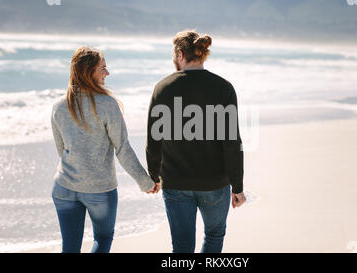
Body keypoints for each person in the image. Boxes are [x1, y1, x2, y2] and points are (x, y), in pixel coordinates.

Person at [51, 46, 160, 253]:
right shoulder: (107, 104)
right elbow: (123, 149)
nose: (107, 73)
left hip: (64, 187)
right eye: (103, 68)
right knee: (102, 237)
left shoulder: (59, 106)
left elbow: (62, 150)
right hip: (99, 189)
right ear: (88, 72)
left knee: (70, 247)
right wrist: (145, 182)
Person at [146, 30, 246, 253]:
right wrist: (237, 186)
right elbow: (232, 142)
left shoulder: (163, 88)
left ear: (180, 54)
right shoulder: (223, 88)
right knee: (214, 235)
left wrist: (154, 176)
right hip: (215, 184)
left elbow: (154, 141)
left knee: (182, 247)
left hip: (176, 182)